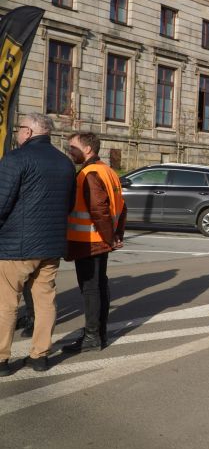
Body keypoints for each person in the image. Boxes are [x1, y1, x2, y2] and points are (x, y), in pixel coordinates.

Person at [0, 113, 76, 375]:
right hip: (51, 244)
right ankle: (40, 356)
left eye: (20, 128)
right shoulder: (65, 163)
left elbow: (1, 202)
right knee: (45, 301)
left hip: (15, 245)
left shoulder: (16, 158)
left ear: (29, 132)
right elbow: (69, 204)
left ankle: (1, 359)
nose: (18, 133)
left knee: (6, 302)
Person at [62, 132, 126, 353]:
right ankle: (98, 333)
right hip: (99, 241)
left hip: (89, 241)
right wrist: (116, 234)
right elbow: (121, 206)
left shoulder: (89, 174)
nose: (70, 151)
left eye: (73, 147)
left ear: (88, 149)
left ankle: (92, 336)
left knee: (91, 289)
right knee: (99, 287)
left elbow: (99, 210)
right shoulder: (108, 171)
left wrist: (110, 239)